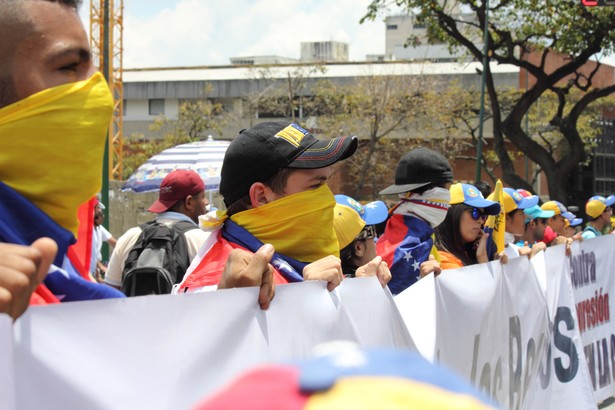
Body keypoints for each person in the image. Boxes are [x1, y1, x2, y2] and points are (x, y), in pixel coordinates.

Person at [0, 0, 125, 310]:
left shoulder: (59, 249)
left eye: (94, 71)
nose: (100, 92)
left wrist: (228, 308)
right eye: (70, 66)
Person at [177, 121, 361, 294]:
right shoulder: (220, 284)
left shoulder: (288, 257)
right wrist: (305, 298)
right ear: (262, 196)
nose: (329, 198)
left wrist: (363, 291)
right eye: (315, 186)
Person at [104, 170, 210, 290]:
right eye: (203, 197)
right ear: (189, 202)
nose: (206, 203)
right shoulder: (205, 241)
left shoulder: (128, 237)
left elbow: (111, 293)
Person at [376, 147, 453, 294]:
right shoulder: (406, 247)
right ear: (430, 194)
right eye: (447, 189)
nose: (448, 197)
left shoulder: (403, 230)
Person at [433, 183, 501, 270]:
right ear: (453, 214)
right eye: (475, 213)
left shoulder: (467, 254)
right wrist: (483, 259)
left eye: (483, 216)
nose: (481, 221)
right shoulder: (444, 261)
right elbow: (486, 284)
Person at [333, 194, 390, 286]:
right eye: (372, 232)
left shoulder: (324, 288)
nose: (376, 240)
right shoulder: (370, 289)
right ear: (358, 248)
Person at [90, 199, 117, 281]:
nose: (101, 213)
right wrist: (100, 266)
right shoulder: (87, 229)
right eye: (98, 208)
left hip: (94, 271)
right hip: (88, 272)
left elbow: (115, 243)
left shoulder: (99, 228)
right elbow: (91, 253)